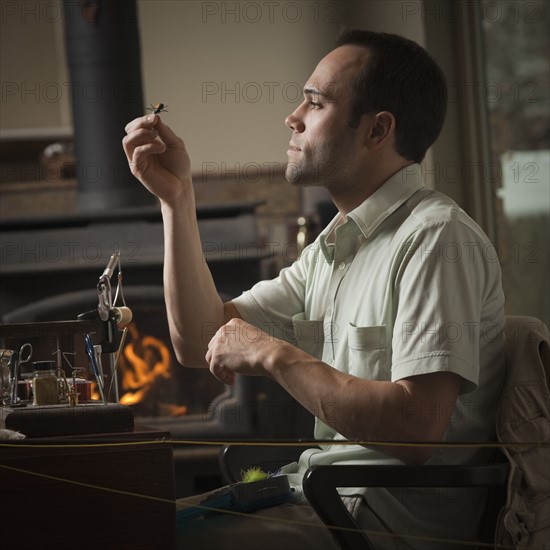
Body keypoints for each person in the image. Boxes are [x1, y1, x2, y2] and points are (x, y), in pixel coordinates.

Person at [123, 29, 505, 550]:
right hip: (321, 497)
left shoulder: (436, 238)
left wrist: (274, 355)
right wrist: (177, 199)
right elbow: (198, 341)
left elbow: (417, 429)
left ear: (378, 130)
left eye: (316, 101)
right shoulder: (336, 244)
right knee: (126, 524)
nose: (292, 116)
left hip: (380, 523)